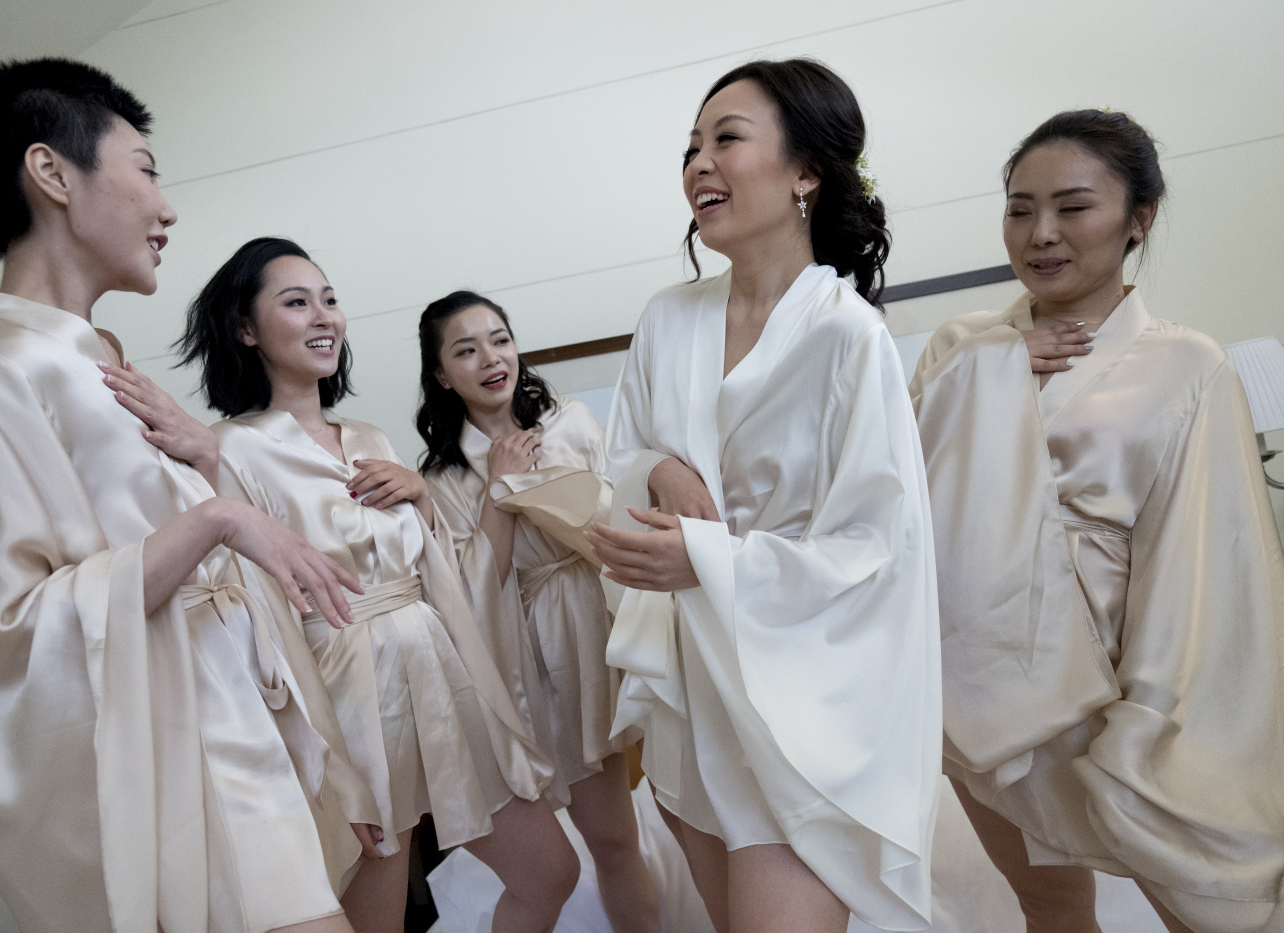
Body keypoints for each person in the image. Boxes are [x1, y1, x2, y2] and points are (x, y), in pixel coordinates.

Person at [0, 59, 368, 933]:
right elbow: (5, 637)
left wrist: (209, 469)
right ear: (51, 172)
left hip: (237, 736)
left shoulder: (99, 363)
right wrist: (218, 517)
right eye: (146, 169)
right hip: (177, 771)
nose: (166, 210)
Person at [117, 236, 578, 933]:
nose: (323, 316)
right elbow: (254, 612)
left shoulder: (369, 437)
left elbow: (448, 576)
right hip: (347, 700)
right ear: (246, 329)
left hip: (437, 673)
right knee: (375, 917)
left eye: (329, 299)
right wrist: (333, 770)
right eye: (297, 302)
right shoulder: (233, 448)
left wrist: (423, 501)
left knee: (550, 871)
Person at [908, 109, 1284, 933]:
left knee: (1205, 907)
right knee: (1045, 901)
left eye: (1073, 207)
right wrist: (985, 371)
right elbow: (893, 488)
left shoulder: (1189, 362)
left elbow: (1207, 556)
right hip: (979, 670)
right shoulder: (960, 344)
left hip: (1113, 675)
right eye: (1019, 208)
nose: (1041, 233)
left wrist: (1151, 709)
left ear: (1138, 218)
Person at [588, 58, 941, 933]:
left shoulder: (846, 336)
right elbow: (618, 465)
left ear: (807, 171)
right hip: (698, 689)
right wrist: (657, 471)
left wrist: (702, 553)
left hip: (805, 703)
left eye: (727, 140)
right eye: (691, 147)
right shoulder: (668, 317)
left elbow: (873, 549)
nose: (699, 164)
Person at [416, 290, 660, 933]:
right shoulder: (441, 477)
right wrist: (499, 491)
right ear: (442, 374)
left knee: (616, 841)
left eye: (499, 339)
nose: (491, 359)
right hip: (523, 652)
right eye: (466, 350)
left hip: (599, 621)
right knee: (556, 857)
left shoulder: (571, 422)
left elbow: (627, 517)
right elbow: (471, 592)